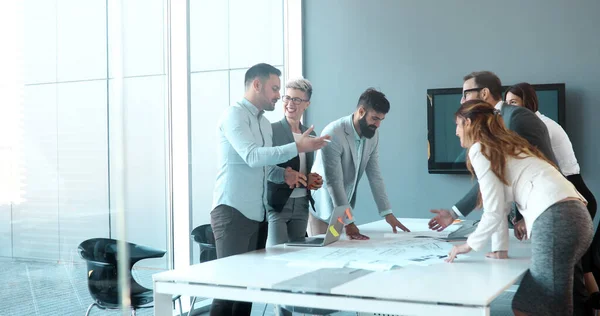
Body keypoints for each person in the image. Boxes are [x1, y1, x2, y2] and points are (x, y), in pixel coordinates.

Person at [445, 99, 593, 316]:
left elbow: (494, 209)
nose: (456, 132)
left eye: (457, 125)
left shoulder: (480, 148)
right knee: (528, 304)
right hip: (577, 218)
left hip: (556, 221)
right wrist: (500, 249)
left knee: (546, 307)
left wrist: (468, 245)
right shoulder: (507, 145)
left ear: (468, 123)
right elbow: (502, 204)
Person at [210, 63, 330, 316]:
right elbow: (252, 156)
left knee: (245, 294)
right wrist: (298, 147)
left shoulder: (263, 123)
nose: (279, 96)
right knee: (226, 292)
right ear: (257, 85)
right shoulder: (234, 115)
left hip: (258, 214)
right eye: (276, 89)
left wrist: (285, 174)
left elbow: (264, 167)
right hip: (232, 211)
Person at [505, 82, 599, 313]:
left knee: (568, 274)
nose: (508, 109)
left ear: (528, 102)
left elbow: (541, 172)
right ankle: (592, 302)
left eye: (513, 103)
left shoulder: (535, 125)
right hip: (569, 192)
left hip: (567, 194)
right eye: (506, 104)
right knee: (577, 266)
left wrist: (523, 215)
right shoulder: (534, 122)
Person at [309, 88, 409, 239]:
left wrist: (387, 213)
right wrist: (349, 222)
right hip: (323, 207)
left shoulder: (372, 135)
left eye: (381, 120)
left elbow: (375, 175)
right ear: (361, 111)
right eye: (375, 118)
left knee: (339, 251)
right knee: (324, 253)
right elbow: (334, 182)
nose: (378, 125)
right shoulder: (333, 133)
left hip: (342, 209)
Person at [267, 78, 323, 247]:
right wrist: (285, 176)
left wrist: (311, 179)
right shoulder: (271, 130)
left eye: (297, 99)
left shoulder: (311, 134)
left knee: (298, 254)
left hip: (302, 205)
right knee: (276, 256)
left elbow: (306, 170)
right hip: (277, 205)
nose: (291, 103)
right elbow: (264, 167)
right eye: (288, 98)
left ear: (307, 104)